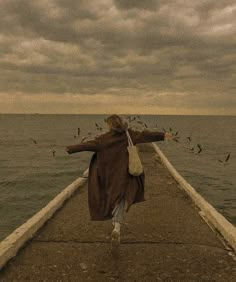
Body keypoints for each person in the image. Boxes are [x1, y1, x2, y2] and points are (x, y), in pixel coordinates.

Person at [66, 114, 172, 250]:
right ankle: (117, 227)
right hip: (127, 174)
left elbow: (87, 145)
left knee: (114, 197)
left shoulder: (103, 139)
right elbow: (146, 135)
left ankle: (116, 226)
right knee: (122, 198)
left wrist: (70, 148)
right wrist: (163, 135)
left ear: (110, 125)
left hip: (110, 175)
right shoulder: (130, 134)